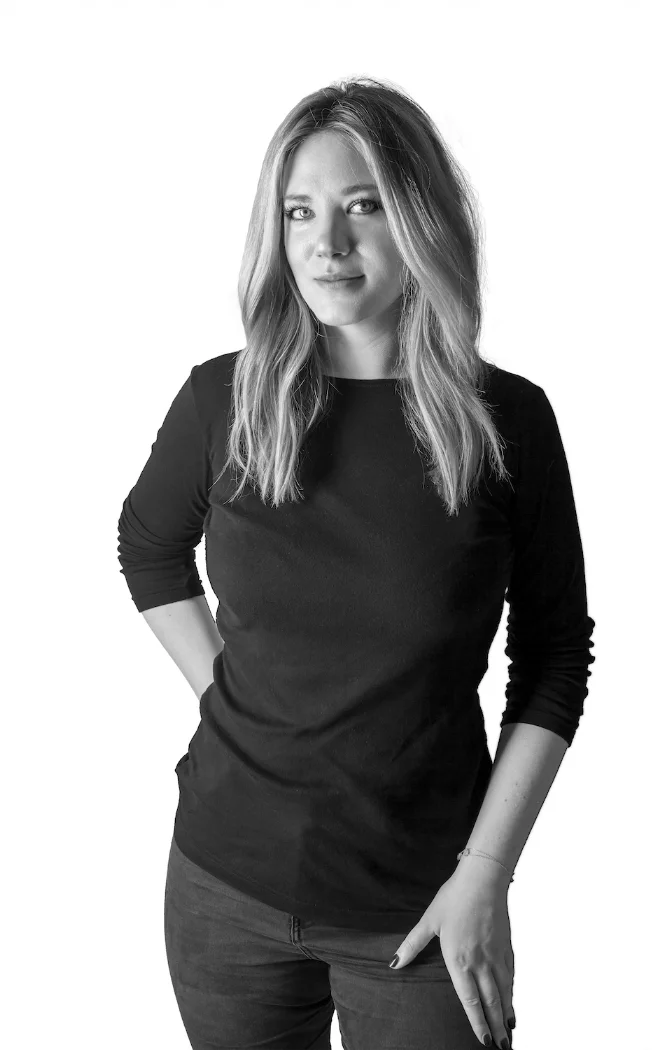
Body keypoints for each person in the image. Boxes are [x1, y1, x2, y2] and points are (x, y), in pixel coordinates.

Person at [117, 76, 595, 1050]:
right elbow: (148, 547)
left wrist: (484, 876)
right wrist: (229, 694)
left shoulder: (506, 422)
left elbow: (553, 661)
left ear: (419, 219)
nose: (326, 243)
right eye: (300, 211)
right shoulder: (223, 402)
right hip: (224, 891)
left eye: (362, 205)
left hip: (421, 907)